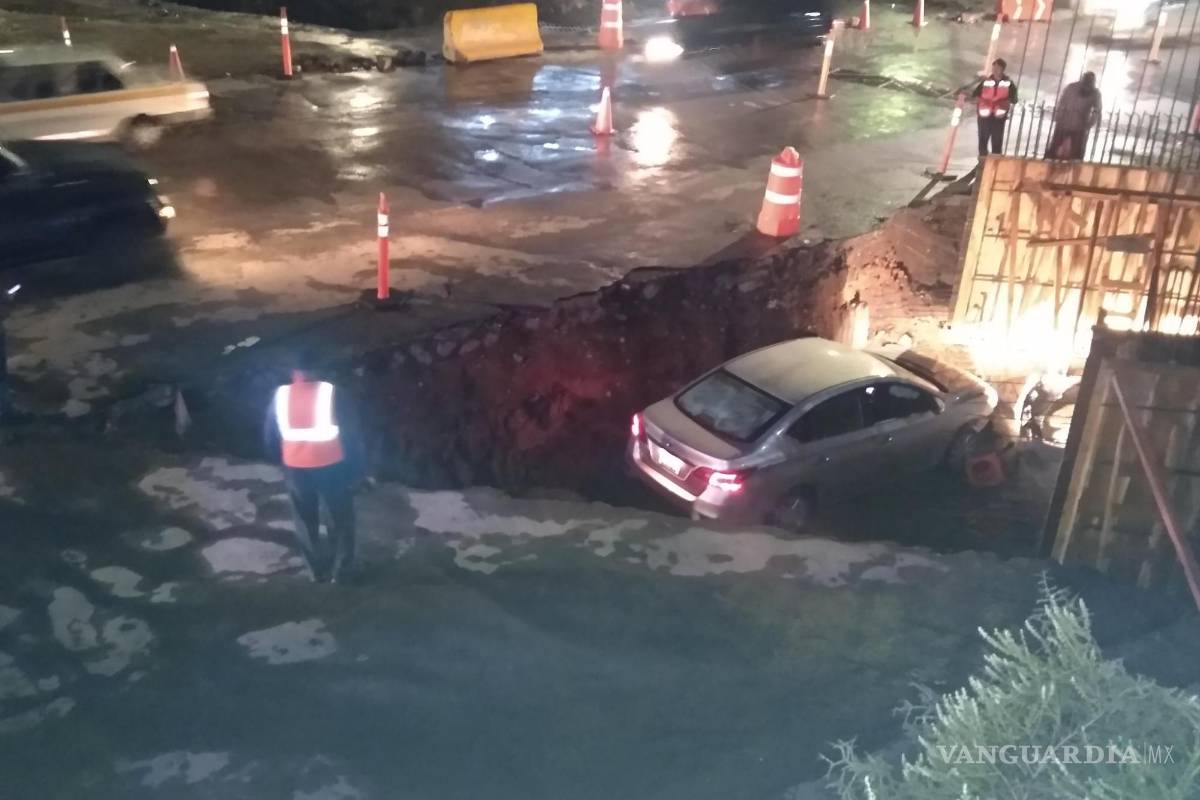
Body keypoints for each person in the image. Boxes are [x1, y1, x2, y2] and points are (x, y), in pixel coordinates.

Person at [263, 351, 365, 584]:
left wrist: (284, 460)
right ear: (319, 369)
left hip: (295, 468)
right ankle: (342, 572)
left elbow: (269, 436)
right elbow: (352, 433)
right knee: (341, 518)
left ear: (293, 372)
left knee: (305, 520)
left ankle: (316, 572)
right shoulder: (333, 393)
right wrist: (357, 468)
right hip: (332, 465)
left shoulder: (279, 396)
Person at [1045, 72, 1102, 161]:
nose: (1087, 86)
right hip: (1068, 123)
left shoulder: (1094, 93)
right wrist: (1059, 116)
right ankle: (1051, 161)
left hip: (1077, 125)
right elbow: (1062, 103)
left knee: (1076, 151)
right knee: (1057, 147)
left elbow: (1097, 111)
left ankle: (1053, 161)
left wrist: (1089, 124)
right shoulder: (1072, 88)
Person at [972, 58, 1018, 158]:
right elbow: (975, 95)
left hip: (998, 117)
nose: (995, 70)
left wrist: (1004, 102)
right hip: (984, 116)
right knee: (983, 141)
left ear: (1003, 69)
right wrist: (979, 101)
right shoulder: (985, 82)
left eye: (998, 68)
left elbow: (1014, 99)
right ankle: (982, 163)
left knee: (997, 142)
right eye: (994, 68)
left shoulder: (1009, 84)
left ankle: (995, 163)